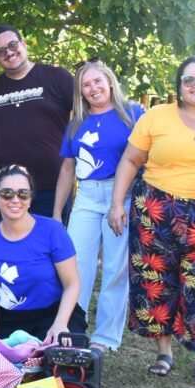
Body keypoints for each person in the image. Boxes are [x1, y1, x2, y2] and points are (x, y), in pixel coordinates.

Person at [109, 56, 195, 385]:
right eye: (188, 79)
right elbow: (130, 159)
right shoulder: (157, 117)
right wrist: (116, 203)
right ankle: (164, 352)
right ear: (179, 85)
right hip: (157, 210)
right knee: (157, 283)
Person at [52, 60, 145, 353]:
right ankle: (74, 328)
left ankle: (105, 338)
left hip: (123, 195)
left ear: (110, 81)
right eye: (86, 85)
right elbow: (68, 168)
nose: (93, 89)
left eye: (97, 82)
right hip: (88, 196)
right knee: (76, 263)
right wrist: (57, 212)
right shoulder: (77, 121)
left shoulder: (134, 114)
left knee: (116, 267)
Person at [0, 25, 75, 218]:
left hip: (53, 187)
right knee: (10, 247)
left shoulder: (56, 77)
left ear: (24, 43)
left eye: (13, 45)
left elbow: (87, 111)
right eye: (1, 51)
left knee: (49, 246)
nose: (9, 53)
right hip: (8, 191)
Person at [0, 164, 84, 343]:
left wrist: (60, 323)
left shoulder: (52, 230)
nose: (15, 200)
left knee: (59, 366)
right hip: (8, 319)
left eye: (23, 193)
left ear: (31, 198)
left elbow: (72, 284)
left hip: (53, 313)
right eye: (7, 193)